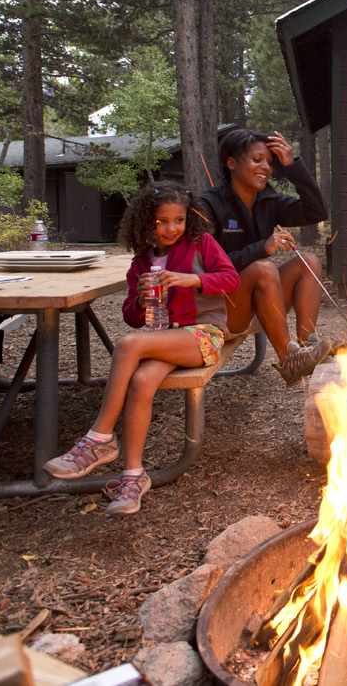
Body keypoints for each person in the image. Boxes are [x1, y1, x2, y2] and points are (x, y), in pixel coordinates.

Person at [44, 181, 240, 516]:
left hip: (202, 335)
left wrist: (191, 279)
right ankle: (133, 476)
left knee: (127, 345)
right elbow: (133, 318)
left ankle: (100, 437)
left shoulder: (200, 244)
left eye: (178, 220)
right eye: (161, 221)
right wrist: (140, 297)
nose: (171, 228)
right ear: (145, 222)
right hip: (162, 338)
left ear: (188, 219)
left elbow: (231, 278)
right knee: (141, 382)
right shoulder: (140, 263)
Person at [200, 128, 334, 387]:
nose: (266, 168)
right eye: (257, 159)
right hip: (224, 310)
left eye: (269, 162)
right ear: (231, 162)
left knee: (309, 261)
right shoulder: (209, 204)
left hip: (261, 304)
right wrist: (262, 247)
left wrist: (293, 166)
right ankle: (289, 361)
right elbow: (207, 269)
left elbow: (316, 211)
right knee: (262, 267)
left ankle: (307, 345)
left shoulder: (268, 200)